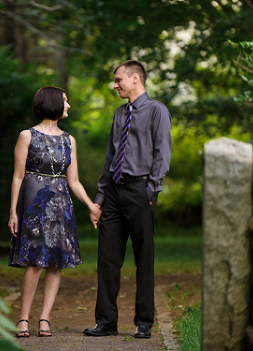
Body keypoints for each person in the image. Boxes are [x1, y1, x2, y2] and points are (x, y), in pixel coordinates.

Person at [83, 60, 172, 339]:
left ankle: (144, 322)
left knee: (144, 258)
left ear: (136, 78)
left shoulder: (157, 111)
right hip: (113, 193)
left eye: (119, 79)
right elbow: (110, 158)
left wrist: (151, 190)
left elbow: (163, 154)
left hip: (140, 191)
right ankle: (106, 322)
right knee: (107, 259)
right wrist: (99, 198)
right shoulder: (119, 114)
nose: (115, 85)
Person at [8, 86, 101, 338]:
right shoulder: (27, 136)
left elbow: (74, 181)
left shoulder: (69, 140)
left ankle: (45, 319)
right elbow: (17, 177)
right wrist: (13, 213)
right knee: (34, 263)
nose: (68, 105)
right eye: (65, 101)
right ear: (52, 103)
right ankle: (23, 319)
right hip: (33, 205)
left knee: (55, 264)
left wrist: (91, 205)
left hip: (60, 205)